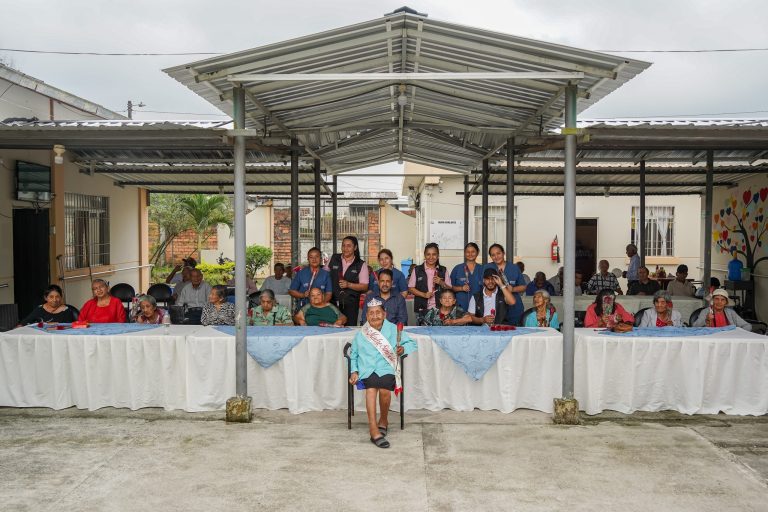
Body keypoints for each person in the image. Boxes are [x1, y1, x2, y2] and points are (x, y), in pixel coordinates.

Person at [348, 297, 418, 449]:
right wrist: (354, 371)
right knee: (371, 390)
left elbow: (412, 343)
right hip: (367, 369)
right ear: (366, 316)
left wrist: (403, 349)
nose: (375, 316)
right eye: (371, 313)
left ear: (384, 314)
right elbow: (353, 354)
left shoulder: (393, 329)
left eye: (378, 313)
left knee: (385, 391)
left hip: (386, 368)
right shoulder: (362, 333)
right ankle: (373, 430)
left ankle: (384, 420)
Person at [326, 236, 369, 326]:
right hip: (332, 302)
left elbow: (364, 286)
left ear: (355, 247)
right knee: (331, 328)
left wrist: (349, 285)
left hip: (351, 304)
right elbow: (324, 275)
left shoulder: (361, 264)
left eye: (349, 246)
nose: (345, 248)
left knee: (349, 329)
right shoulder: (333, 258)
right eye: (343, 245)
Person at [408, 243, 452, 325]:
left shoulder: (443, 270)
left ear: (438, 256)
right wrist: (424, 294)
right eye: (428, 254)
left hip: (440, 310)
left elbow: (450, 289)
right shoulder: (417, 270)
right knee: (422, 335)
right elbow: (410, 288)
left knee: (439, 334)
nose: (431, 257)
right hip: (421, 309)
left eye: (434, 254)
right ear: (424, 255)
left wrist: (441, 283)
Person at [484, 244, 526, 325]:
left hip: (514, 308)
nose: (496, 256)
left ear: (503, 253)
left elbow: (523, 287)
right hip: (494, 307)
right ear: (491, 257)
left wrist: (513, 289)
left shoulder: (514, 268)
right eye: (493, 255)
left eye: (498, 253)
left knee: (514, 331)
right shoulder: (487, 267)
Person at [450, 242, 483, 311]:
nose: (470, 254)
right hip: (460, 307)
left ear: (477, 252)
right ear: (464, 253)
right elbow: (450, 287)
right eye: (468, 252)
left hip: (478, 308)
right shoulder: (457, 268)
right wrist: (461, 288)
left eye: (473, 251)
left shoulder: (482, 269)